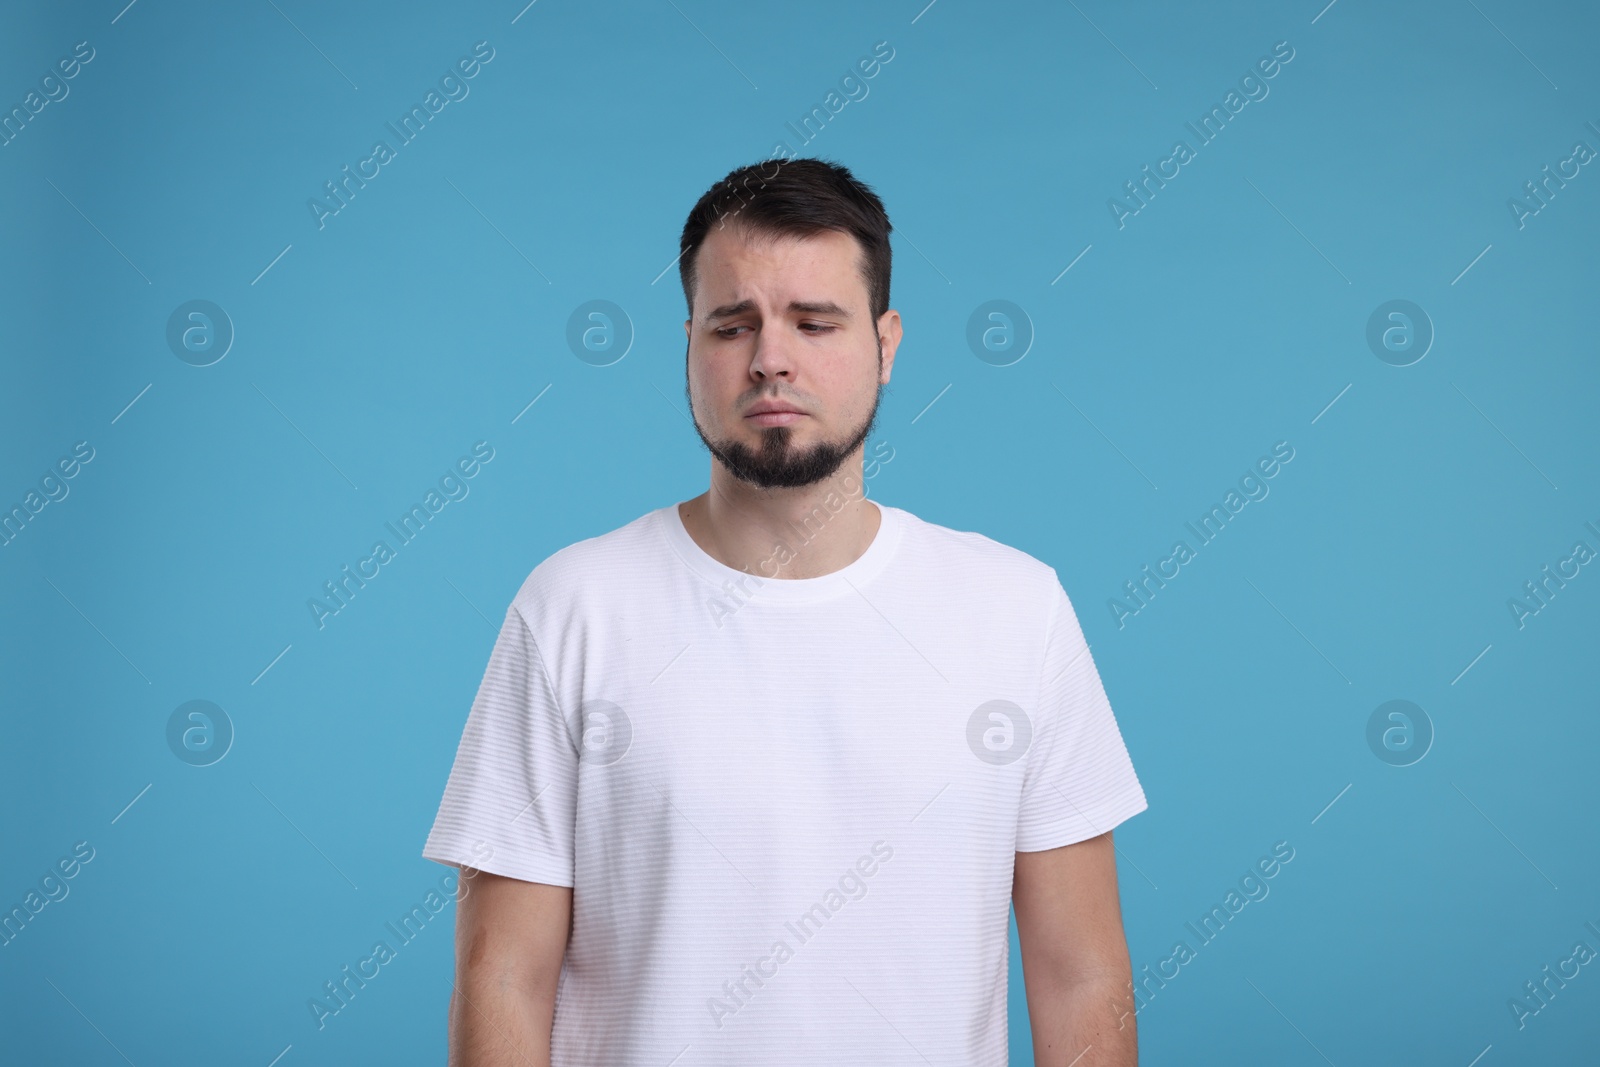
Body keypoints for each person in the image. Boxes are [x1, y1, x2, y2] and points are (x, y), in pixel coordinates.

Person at [422, 157, 1149, 1065]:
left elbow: (1080, 973)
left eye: (815, 322)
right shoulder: (573, 607)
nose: (772, 357)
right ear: (690, 345)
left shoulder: (1016, 608)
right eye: (734, 325)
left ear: (887, 345)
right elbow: (502, 976)